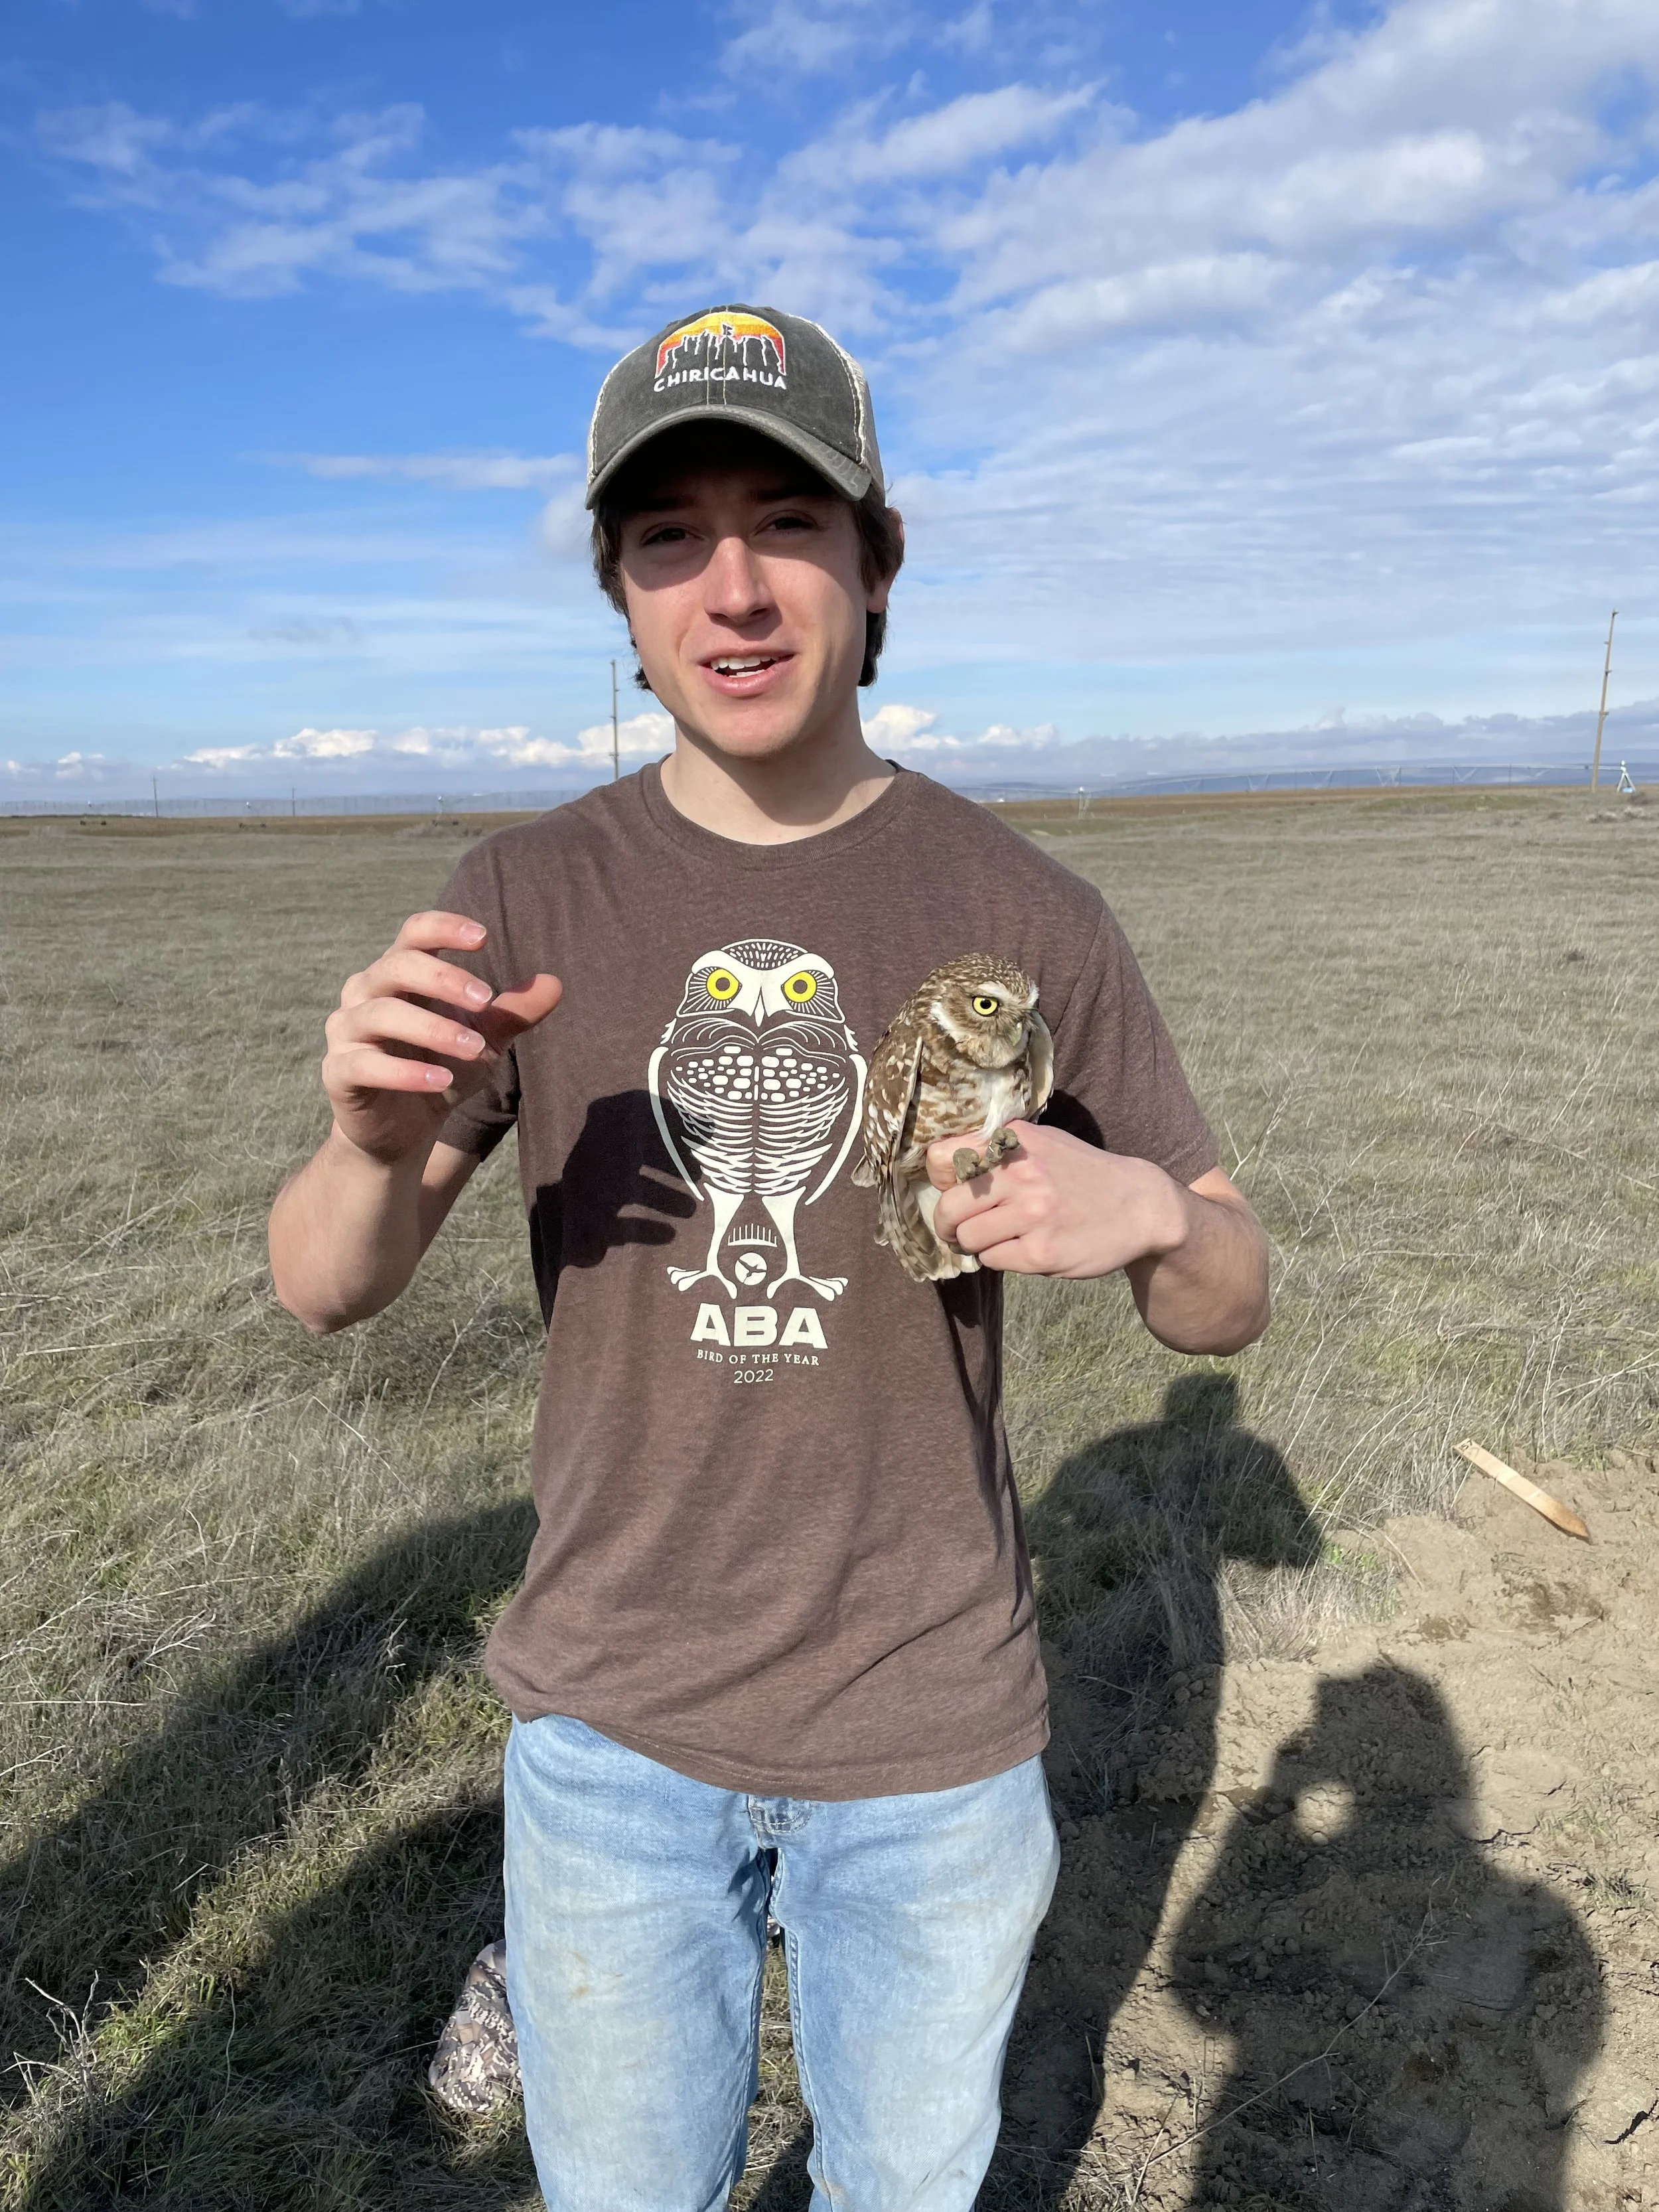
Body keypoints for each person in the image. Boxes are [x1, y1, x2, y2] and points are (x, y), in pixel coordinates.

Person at [267, 302, 1270, 2212]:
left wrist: (1147, 1217)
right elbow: (324, 1282)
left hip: (929, 1736)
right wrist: (366, 1141)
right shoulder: (522, 898)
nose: (730, 587)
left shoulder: (1021, 907)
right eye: (668, 538)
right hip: (611, 1727)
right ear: (622, 598)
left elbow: (1230, 1279)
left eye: (785, 519)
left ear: (874, 563)